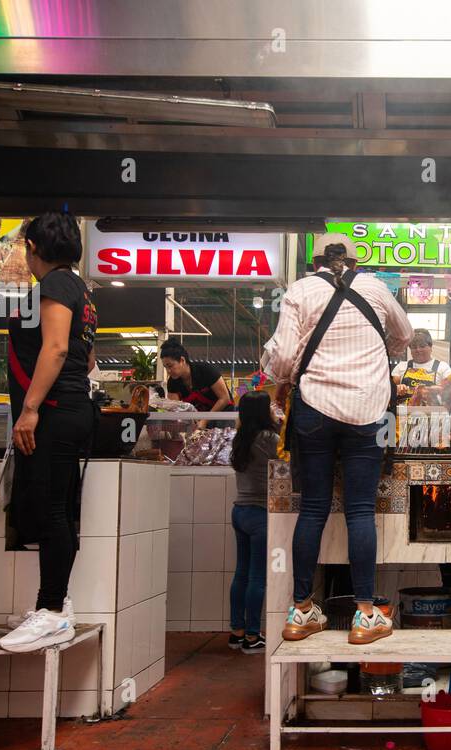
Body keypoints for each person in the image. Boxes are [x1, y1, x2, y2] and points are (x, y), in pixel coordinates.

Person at [262, 232, 412, 645]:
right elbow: (405, 335)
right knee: (360, 511)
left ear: (314, 263)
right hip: (368, 412)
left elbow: (283, 359)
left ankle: (301, 610)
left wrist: (281, 373)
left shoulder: (301, 290)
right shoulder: (375, 287)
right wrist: (378, 352)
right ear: (353, 261)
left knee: (312, 509)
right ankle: (366, 615)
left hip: (314, 410)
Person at [0, 213, 99, 652]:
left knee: (52, 509)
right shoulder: (81, 290)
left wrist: (31, 409)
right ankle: (55, 607)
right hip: (71, 407)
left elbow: (56, 348)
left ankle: (52, 610)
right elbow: (88, 358)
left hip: (55, 410)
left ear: (32, 248)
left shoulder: (56, 286)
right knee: (57, 506)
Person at [227, 391, 278, 655]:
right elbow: (285, 455)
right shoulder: (270, 438)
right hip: (260, 513)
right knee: (258, 577)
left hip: (239, 511)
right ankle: (252, 636)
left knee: (242, 573)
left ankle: (237, 632)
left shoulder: (239, 439)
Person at [159, 339, 234, 413]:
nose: (168, 371)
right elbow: (176, 410)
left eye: (170, 366)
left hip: (224, 415)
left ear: (182, 360)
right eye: (165, 367)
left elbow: (224, 398)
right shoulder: (172, 383)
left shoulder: (206, 370)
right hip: (197, 418)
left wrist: (205, 420)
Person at [392, 329, 448, 403]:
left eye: (422, 346)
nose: (418, 350)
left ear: (431, 347)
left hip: (432, 413)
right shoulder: (401, 366)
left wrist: (440, 389)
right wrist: (396, 388)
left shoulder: (442, 367)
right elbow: (388, 388)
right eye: (414, 347)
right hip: (404, 413)